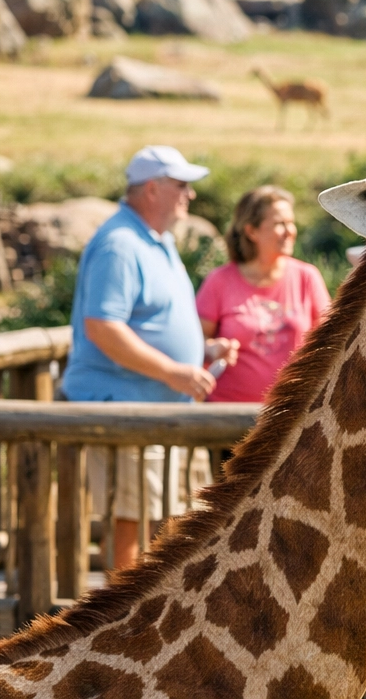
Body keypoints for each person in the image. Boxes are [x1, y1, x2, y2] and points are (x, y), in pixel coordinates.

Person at [63, 145, 239, 569]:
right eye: (181, 185)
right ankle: (119, 629)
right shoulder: (120, 244)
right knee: (132, 521)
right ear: (151, 190)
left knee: (164, 523)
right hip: (128, 411)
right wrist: (176, 372)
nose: (190, 195)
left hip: (159, 410)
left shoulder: (155, 240)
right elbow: (103, 328)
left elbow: (151, 322)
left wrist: (203, 350)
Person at [196, 185, 331, 403]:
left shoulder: (307, 277)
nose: (290, 231)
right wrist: (213, 349)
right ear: (251, 231)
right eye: (280, 224)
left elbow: (331, 340)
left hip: (290, 413)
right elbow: (195, 339)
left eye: (291, 223)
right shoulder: (219, 281)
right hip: (224, 416)